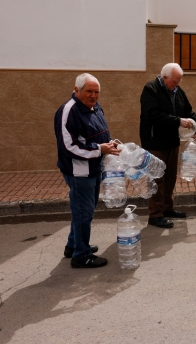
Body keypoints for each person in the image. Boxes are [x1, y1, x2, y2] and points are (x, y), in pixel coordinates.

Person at [55, 73, 120, 268]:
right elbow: (68, 147)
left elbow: (95, 135)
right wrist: (100, 149)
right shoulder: (69, 111)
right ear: (76, 90)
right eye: (89, 91)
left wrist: (108, 143)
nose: (93, 95)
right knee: (84, 213)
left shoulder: (94, 107)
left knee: (84, 210)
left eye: (97, 92)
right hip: (79, 172)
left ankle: (74, 245)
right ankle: (81, 256)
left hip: (93, 168)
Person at [140, 63, 196, 228]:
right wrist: (178, 121)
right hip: (155, 143)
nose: (177, 84)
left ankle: (167, 208)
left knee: (170, 178)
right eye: (175, 81)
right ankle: (155, 215)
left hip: (172, 142)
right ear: (165, 77)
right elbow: (152, 114)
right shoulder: (150, 89)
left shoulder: (178, 92)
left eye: (179, 81)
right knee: (156, 180)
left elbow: (189, 111)